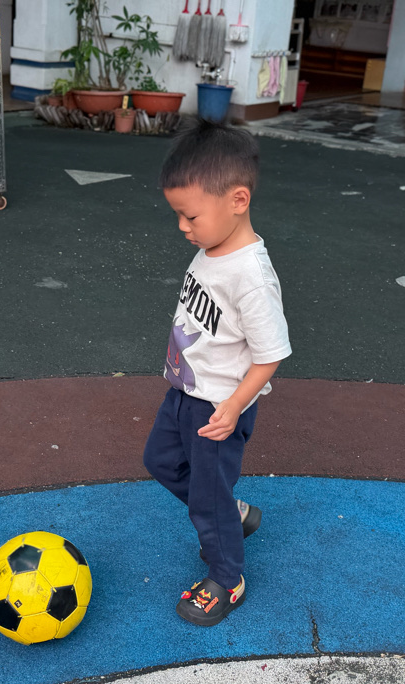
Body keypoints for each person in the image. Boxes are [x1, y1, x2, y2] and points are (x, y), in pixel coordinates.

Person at [143, 119, 291, 627]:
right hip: (185, 392)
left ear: (237, 200)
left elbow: (270, 354)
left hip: (217, 408)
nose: (182, 227)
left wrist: (233, 406)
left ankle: (228, 578)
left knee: (206, 501)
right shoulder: (211, 251)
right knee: (161, 461)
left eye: (190, 216)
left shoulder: (252, 278)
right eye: (178, 215)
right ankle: (232, 512)